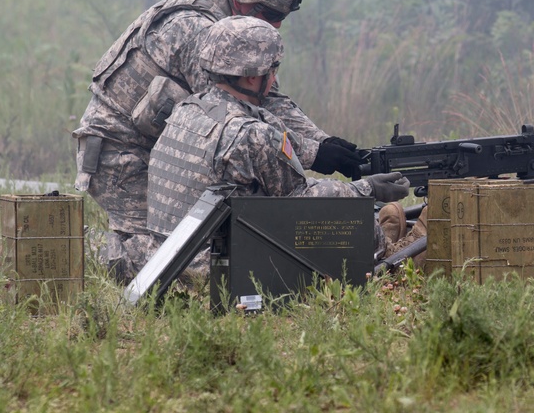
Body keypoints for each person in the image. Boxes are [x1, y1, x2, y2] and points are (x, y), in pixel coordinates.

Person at [73, 0, 365, 280]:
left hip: (155, 147)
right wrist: (314, 153)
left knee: (215, 240)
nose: (276, 26)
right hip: (121, 156)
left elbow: (270, 97)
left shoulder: (225, 21)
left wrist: (326, 143)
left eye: (281, 18)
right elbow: (236, 112)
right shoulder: (197, 29)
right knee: (170, 263)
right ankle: (81, 252)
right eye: (269, 14)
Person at [146, 15, 424, 276]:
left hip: (166, 265)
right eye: (273, 69)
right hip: (219, 272)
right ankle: (390, 253)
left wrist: (320, 150)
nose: (274, 78)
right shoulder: (251, 134)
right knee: (340, 217)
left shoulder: (185, 109)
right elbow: (301, 200)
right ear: (253, 76)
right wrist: (368, 189)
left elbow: (269, 140)